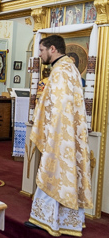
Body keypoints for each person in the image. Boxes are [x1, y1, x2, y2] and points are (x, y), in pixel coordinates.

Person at [25, 35, 93, 236]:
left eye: (41, 51)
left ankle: (46, 220)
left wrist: (51, 130)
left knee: (53, 173)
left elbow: (60, 106)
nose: (40, 55)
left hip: (59, 133)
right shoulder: (68, 68)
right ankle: (63, 220)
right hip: (67, 132)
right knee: (65, 175)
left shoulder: (61, 71)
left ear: (52, 49)